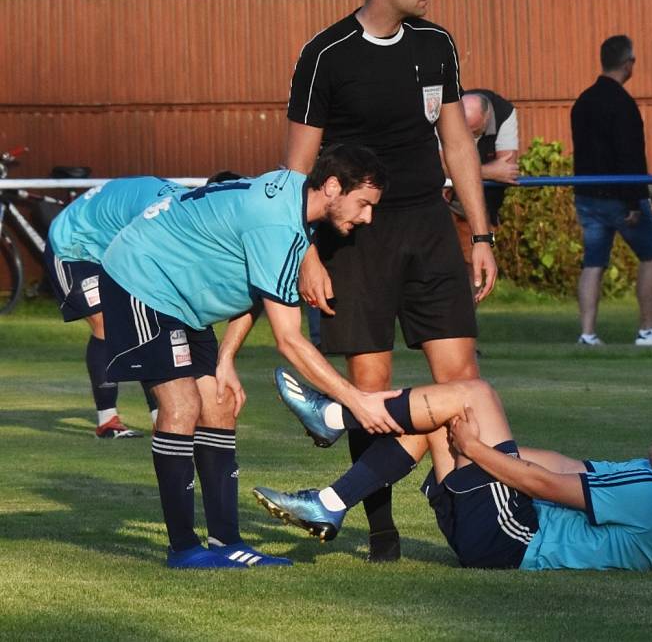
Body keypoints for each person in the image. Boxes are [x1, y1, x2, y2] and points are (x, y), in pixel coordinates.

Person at [284, 0, 497, 561]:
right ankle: (380, 530)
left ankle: (473, 518)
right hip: (355, 238)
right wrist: (307, 252)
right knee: (370, 387)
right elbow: (297, 170)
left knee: (462, 381)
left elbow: (458, 145)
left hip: (430, 228)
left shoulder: (437, 45)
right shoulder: (326, 54)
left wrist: (480, 234)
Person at [100, 145, 400, 569]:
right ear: (333, 187)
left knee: (219, 404)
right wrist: (355, 400)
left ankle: (226, 543)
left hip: (181, 298)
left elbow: (258, 284)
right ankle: (184, 550)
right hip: (140, 278)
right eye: (364, 204)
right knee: (182, 405)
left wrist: (226, 358)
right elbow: (291, 340)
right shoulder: (277, 224)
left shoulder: (297, 196)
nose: (367, 217)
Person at [255, 369, 652, 572]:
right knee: (441, 415)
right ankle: (331, 503)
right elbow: (566, 466)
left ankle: (336, 415)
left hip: (514, 539)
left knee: (476, 395)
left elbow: (546, 484)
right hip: (503, 534)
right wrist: (483, 448)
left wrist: (478, 450)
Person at [45, 177, 186, 437]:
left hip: (107, 243)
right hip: (72, 246)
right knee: (105, 324)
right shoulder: (159, 217)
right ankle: (107, 420)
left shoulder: (182, 207)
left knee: (146, 321)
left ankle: (160, 418)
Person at [571, 35, 652, 347]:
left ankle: (587, 333)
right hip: (620, 198)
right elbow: (630, 154)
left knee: (593, 262)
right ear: (627, 63)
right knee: (651, 254)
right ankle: (648, 330)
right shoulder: (622, 104)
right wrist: (634, 201)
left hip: (587, 194)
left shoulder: (583, 101)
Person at [444, 89, 520, 273]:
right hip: (446, 204)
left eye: (474, 132)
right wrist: (489, 171)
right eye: (463, 131)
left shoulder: (504, 113)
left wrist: (456, 170)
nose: (467, 140)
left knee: (475, 268)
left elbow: (508, 169)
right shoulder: (448, 110)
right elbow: (439, 164)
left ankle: (469, 302)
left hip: (482, 207)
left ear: (487, 118)